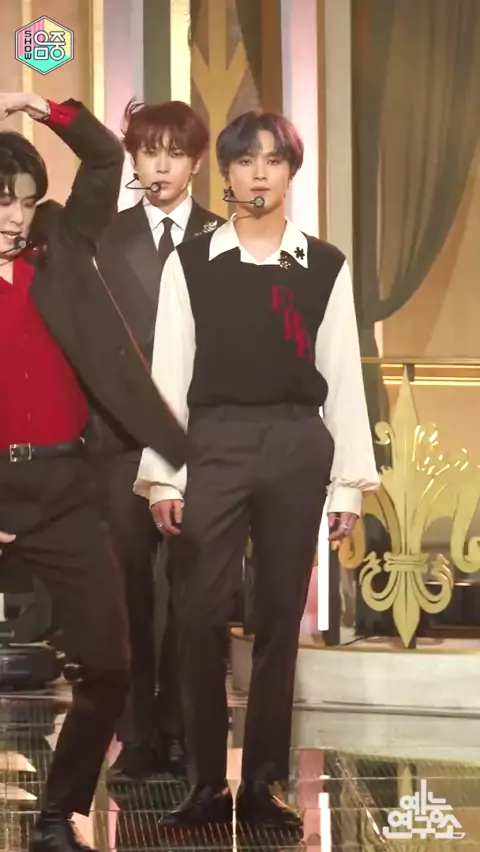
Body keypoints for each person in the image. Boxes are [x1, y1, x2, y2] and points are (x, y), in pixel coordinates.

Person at [134, 110, 380, 833]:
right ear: (228, 173)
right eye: (246, 161)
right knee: (200, 613)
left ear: (291, 172)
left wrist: (348, 483)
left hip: (297, 442)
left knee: (278, 617)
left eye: (274, 160)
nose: (260, 173)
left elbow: (342, 375)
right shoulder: (192, 264)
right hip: (213, 442)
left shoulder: (322, 266)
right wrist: (165, 475)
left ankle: (265, 781)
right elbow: (169, 373)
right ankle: (206, 782)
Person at [0, 91, 188, 852]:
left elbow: (107, 159)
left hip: (65, 490)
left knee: (109, 667)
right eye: (1, 201)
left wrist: (38, 104)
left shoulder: (60, 244)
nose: (15, 217)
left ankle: (58, 815)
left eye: (23, 201)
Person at [95, 99, 224, 783]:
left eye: (175, 152)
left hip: (197, 441)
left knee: (191, 594)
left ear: (197, 162)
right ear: (134, 159)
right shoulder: (102, 238)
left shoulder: (223, 238)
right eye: (149, 151)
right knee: (129, 596)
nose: (161, 165)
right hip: (119, 441)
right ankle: (136, 734)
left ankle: (178, 730)